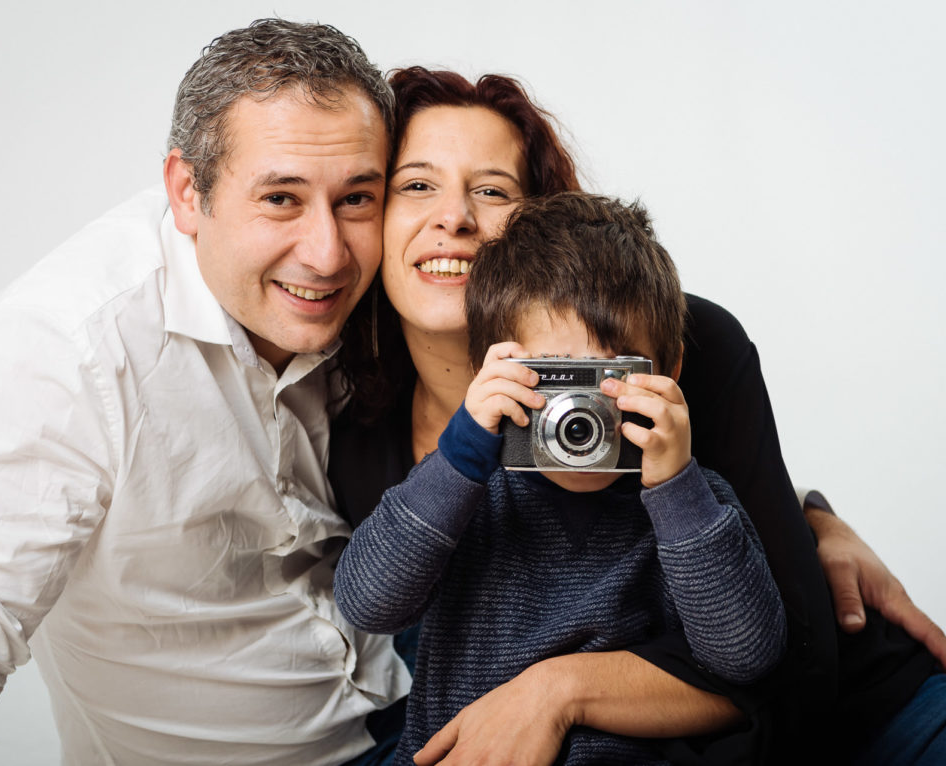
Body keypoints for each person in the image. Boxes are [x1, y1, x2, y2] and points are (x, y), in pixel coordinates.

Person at [328, 67, 944, 764]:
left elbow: (765, 653)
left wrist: (698, 492)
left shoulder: (686, 392)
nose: (455, 217)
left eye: (493, 189)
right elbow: (371, 600)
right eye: (417, 184)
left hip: (838, 709)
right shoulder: (382, 441)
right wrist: (466, 451)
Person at [0, 18, 410, 766]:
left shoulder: (374, 285)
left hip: (406, 708)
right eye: (282, 200)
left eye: (357, 198)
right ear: (188, 192)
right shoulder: (68, 348)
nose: (328, 255)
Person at [335, 191, 790, 764]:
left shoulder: (691, 503)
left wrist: (676, 490)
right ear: (490, 369)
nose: (580, 413)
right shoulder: (465, 493)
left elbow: (748, 656)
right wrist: (464, 449)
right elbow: (366, 603)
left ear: (668, 369)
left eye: (608, 377)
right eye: (555, 377)